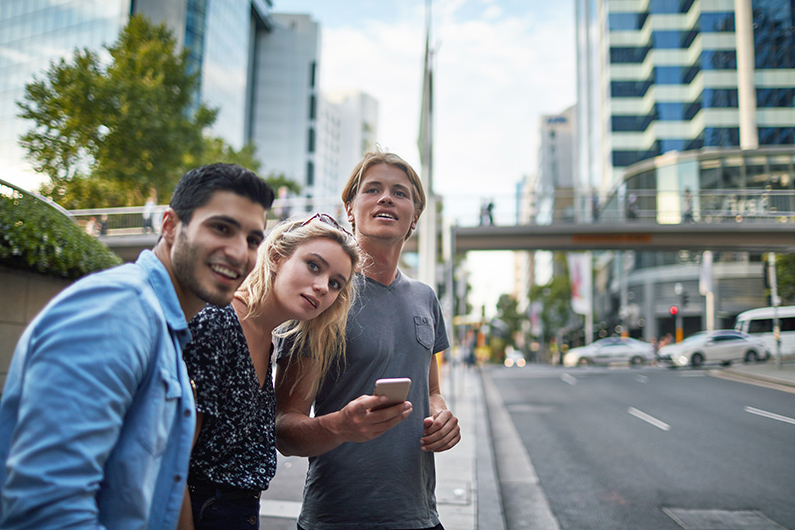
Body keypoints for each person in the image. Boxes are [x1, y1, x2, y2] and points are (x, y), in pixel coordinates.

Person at [0, 163, 274, 529]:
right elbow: (48, 504)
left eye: (253, 240)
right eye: (221, 228)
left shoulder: (164, 325)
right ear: (170, 226)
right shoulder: (120, 311)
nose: (240, 253)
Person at [275, 148, 461, 530]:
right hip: (336, 519)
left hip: (420, 518)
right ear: (350, 208)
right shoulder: (324, 296)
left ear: (414, 218)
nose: (386, 198)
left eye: (400, 192)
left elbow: (432, 390)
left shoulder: (425, 297)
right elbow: (284, 428)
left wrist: (441, 415)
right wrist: (339, 427)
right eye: (372, 189)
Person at [180, 214, 360, 530]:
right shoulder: (218, 323)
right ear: (277, 256)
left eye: (335, 283)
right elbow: (171, 463)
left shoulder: (267, 339)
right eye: (314, 266)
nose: (322, 287)